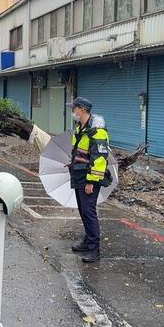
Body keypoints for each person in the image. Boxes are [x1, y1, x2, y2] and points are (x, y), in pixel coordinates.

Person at [67, 97, 111, 263]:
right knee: (83, 210)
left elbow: (99, 159)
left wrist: (91, 182)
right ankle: (87, 242)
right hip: (79, 174)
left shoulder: (97, 131)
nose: (73, 111)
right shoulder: (80, 127)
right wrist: (71, 162)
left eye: (75, 108)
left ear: (83, 110)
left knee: (89, 211)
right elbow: (81, 152)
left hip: (89, 178)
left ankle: (94, 249)